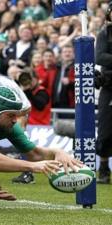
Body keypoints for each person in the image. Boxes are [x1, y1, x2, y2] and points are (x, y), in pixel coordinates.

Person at [95, 3, 112, 184]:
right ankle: (104, 168)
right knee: (105, 130)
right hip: (109, 86)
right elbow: (99, 57)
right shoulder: (104, 34)